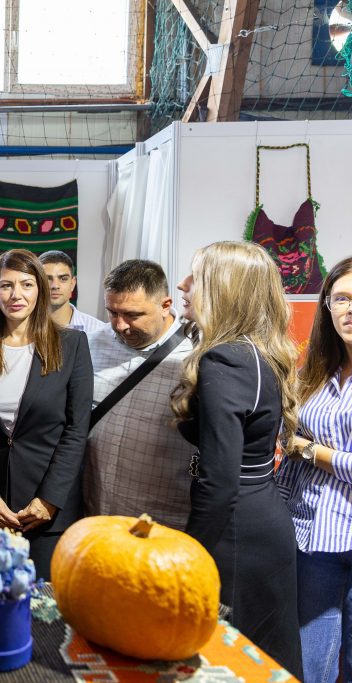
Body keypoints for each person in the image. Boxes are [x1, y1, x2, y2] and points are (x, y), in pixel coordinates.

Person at [172, 241, 302, 678]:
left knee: (225, 662)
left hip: (236, 532)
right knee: (263, 660)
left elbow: (220, 481)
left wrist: (187, 557)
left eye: (195, 277)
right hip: (261, 521)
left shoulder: (224, 360)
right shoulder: (256, 353)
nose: (183, 285)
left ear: (223, 290)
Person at [0, 249, 93, 580]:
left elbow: (77, 429)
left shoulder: (72, 345)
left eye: (26, 284)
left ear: (39, 289)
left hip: (48, 509)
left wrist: (50, 498)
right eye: (6, 285)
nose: (16, 295)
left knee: (46, 602)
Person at [276, 256, 352, 683]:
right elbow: (288, 447)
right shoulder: (316, 372)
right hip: (314, 538)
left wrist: (309, 450)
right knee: (310, 666)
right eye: (341, 299)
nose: (349, 309)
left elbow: (298, 447)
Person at [84, 259, 193, 530]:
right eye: (112, 312)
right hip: (95, 513)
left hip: (163, 522)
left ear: (165, 305)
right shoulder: (92, 344)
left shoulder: (196, 354)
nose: (120, 325)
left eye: (132, 315)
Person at [39, 250, 104, 333]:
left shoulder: (99, 330)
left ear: (72, 284)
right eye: (47, 279)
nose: (55, 286)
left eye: (63, 279)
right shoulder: (24, 327)